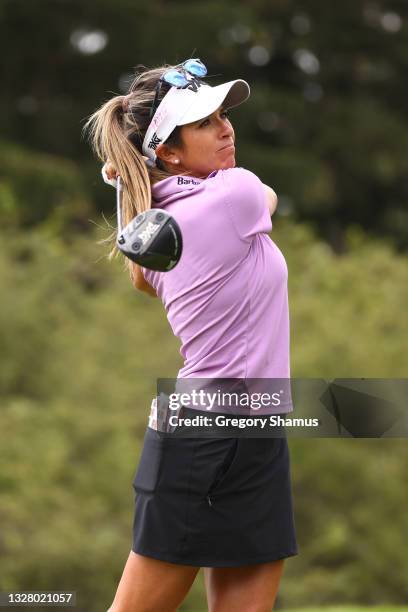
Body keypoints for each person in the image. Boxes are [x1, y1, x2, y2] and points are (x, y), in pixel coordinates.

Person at [84, 58, 298, 612]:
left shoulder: (155, 232)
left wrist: (132, 181)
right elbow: (266, 195)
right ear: (169, 153)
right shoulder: (235, 195)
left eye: (224, 116)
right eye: (205, 123)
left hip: (251, 429)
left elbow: (141, 272)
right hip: (207, 436)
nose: (226, 128)